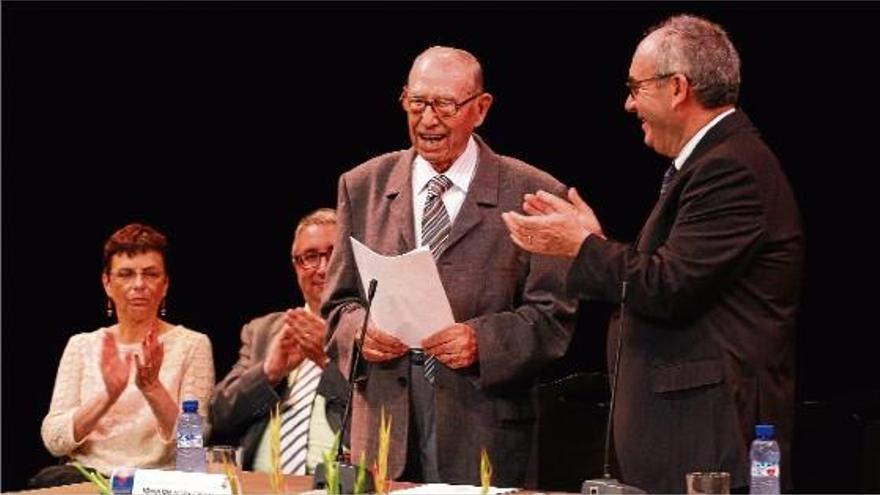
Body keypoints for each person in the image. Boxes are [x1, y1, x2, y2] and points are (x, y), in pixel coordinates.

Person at [502, 14, 803, 494]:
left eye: (635, 87)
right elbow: (665, 276)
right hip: (686, 437)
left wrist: (581, 247)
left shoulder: (731, 169)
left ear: (678, 87)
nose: (628, 103)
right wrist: (592, 242)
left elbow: (668, 288)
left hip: (707, 443)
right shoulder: (711, 163)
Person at [323, 45, 577, 487]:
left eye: (444, 105)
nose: (427, 119)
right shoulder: (362, 185)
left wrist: (482, 340)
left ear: (480, 109)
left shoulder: (533, 192)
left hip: (483, 428)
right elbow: (339, 305)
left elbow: (553, 319)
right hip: (383, 427)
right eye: (416, 103)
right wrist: (361, 333)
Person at [37, 223, 215, 486]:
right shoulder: (81, 345)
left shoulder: (192, 344)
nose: (139, 284)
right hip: (88, 479)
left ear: (165, 285)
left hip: (157, 483)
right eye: (126, 274)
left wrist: (153, 388)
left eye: (151, 274)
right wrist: (107, 395)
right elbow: (54, 440)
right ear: (107, 283)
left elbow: (195, 441)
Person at [211, 208, 350, 475]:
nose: (322, 268)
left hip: (332, 485)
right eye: (310, 257)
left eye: (333, 254)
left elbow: (387, 424)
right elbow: (221, 418)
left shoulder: (371, 330)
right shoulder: (264, 330)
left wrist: (327, 361)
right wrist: (269, 373)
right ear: (296, 266)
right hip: (259, 483)